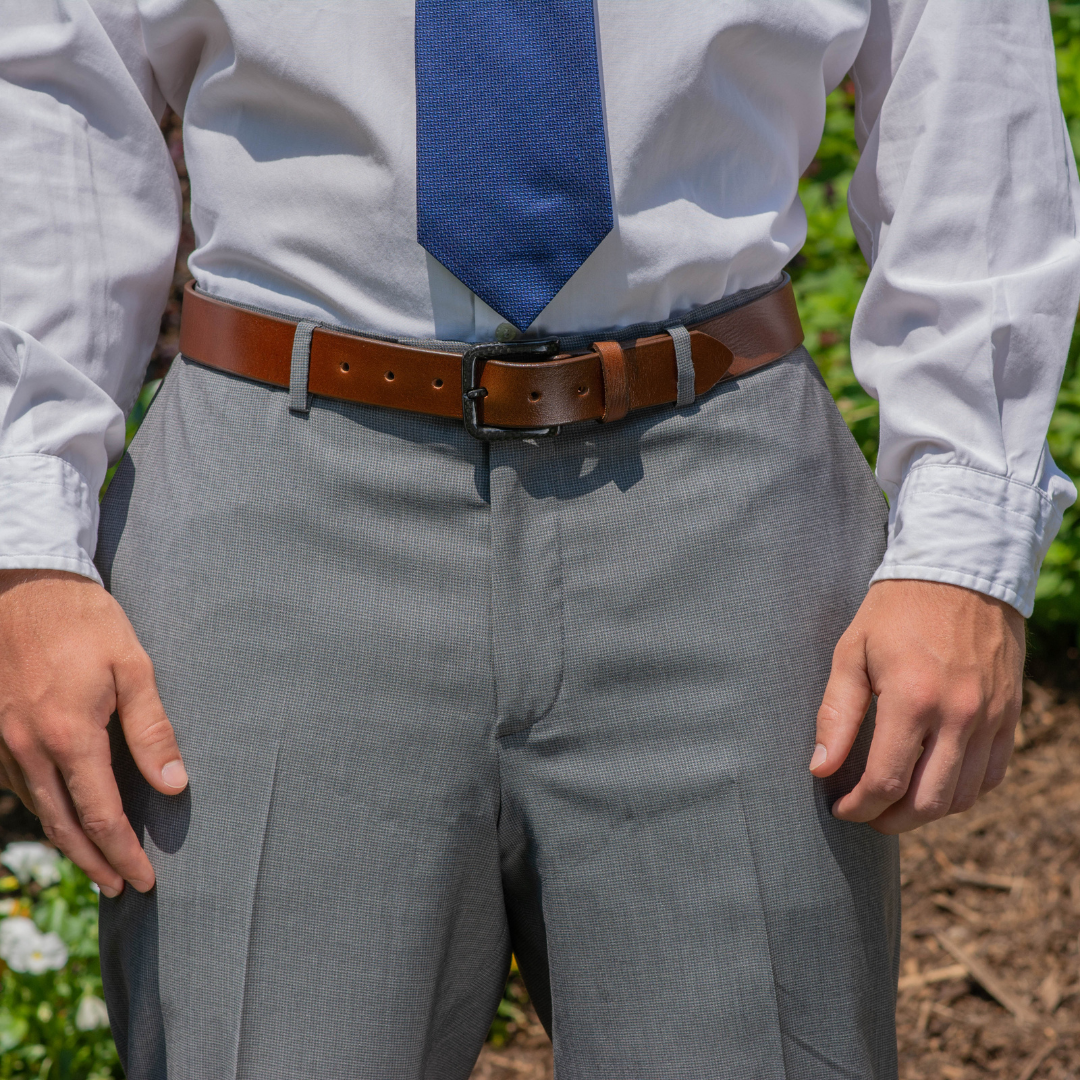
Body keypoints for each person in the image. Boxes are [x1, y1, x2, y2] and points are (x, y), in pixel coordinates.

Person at [0, 2, 1075, 1077]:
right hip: (271, 518)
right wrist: (26, 545)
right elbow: (53, 87)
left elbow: (965, 72)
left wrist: (965, 537)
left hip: (728, 513)